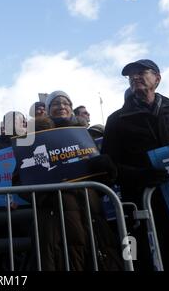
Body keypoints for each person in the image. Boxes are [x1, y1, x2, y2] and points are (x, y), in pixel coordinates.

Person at [101, 59, 169, 271]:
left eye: (142, 72)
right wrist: (139, 175)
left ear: (157, 78)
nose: (135, 77)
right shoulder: (117, 121)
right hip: (147, 208)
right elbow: (108, 166)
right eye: (131, 75)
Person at [17, 91, 121, 271]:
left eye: (66, 103)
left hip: (90, 213)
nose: (61, 106)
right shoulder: (34, 140)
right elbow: (20, 181)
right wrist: (46, 195)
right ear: (49, 110)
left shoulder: (85, 137)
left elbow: (102, 183)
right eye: (56, 103)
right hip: (54, 219)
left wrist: (106, 170)